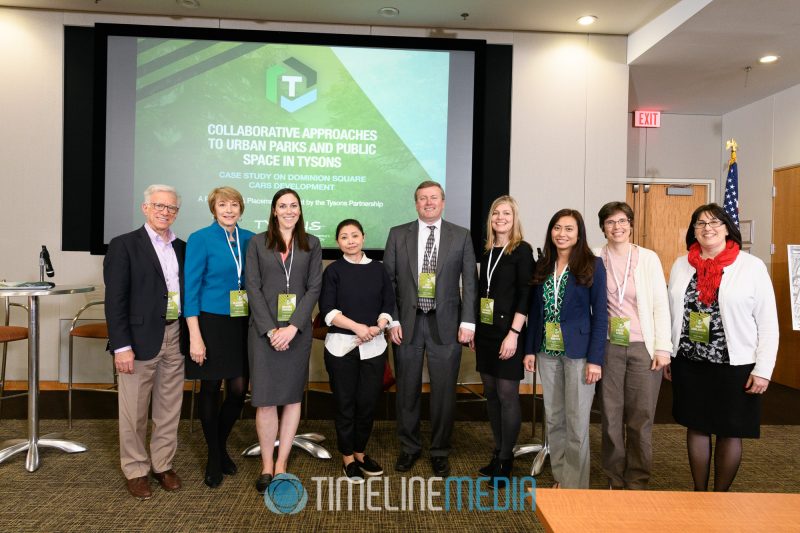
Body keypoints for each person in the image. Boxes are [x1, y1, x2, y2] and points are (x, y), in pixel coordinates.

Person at [665, 203, 779, 492]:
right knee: (697, 425)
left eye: (715, 222)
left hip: (735, 364)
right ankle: (700, 493)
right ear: (693, 231)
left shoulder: (750, 266)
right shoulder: (681, 264)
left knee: (730, 430)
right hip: (690, 362)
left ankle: (721, 496)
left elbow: (767, 322)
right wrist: (667, 353)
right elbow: (670, 312)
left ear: (728, 228)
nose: (707, 228)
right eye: (700, 223)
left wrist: (764, 369)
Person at [383, 180, 478, 477]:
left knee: (444, 392)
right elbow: (389, 283)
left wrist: (468, 321)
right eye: (422, 198)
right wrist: (393, 320)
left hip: (447, 325)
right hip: (407, 326)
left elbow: (470, 283)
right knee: (407, 391)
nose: (428, 202)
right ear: (415, 203)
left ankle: (440, 450)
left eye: (433, 198)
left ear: (443, 202)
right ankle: (409, 448)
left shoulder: (460, 236)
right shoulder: (398, 235)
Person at [104, 184, 188, 500]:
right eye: (159, 206)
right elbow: (115, 300)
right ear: (145, 208)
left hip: (174, 335)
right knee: (133, 411)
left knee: (169, 408)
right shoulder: (124, 245)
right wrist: (121, 346)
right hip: (138, 341)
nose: (165, 212)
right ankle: (136, 469)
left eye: (171, 208)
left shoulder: (183, 247)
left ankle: (162, 465)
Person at [245, 188, 322, 493]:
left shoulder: (312, 244)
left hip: (297, 332)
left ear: (300, 211)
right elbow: (252, 286)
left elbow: (314, 288)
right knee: (264, 400)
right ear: (274, 211)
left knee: (291, 398)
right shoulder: (257, 243)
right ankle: (266, 464)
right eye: (282, 206)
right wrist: (270, 330)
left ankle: (282, 463)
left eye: (294, 205)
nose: (288, 210)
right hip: (264, 333)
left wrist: (292, 327)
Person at [523, 208, 607, 489]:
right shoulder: (544, 264)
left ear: (579, 233)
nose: (562, 234)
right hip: (547, 351)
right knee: (555, 417)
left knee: (577, 420)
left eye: (569, 229)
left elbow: (601, 315)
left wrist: (595, 359)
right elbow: (535, 312)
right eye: (557, 228)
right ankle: (561, 476)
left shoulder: (593, 265)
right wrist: (529, 350)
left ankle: (576, 486)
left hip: (580, 354)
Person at [594, 201, 672, 490]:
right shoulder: (593, 257)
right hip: (608, 347)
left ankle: (637, 479)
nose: (617, 227)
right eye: (611, 222)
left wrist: (663, 348)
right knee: (611, 415)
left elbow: (660, 305)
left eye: (622, 221)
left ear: (630, 224)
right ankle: (614, 477)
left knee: (641, 417)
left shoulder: (648, 258)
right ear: (603, 227)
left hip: (644, 348)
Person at [184, 186, 255, 488]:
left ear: (241, 208)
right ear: (213, 209)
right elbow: (190, 288)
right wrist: (194, 337)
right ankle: (214, 457)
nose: (229, 209)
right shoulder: (200, 239)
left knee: (238, 390)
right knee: (211, 387)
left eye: (234, 204)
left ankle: (219, 445)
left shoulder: (251, 239)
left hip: (242, 322)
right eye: (223, 205)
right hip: (210, 322)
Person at [318, 219, 396, 483]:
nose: (350, 240)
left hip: (374, 348)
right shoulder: (333, 271)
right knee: (345, 404)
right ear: (338, 242)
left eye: (354, 235)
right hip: (342, 349)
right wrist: (359, 328)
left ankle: (361, 452)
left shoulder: (379, 269)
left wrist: (381, 324)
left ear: (363, 237)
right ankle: (347, 457)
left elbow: (388, 302)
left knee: (367, 404)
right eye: (343, 237)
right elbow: (328, 312)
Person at [471, 196, 534, 487]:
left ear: (514, 218)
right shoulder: (485, 251)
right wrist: (474, 330)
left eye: (506, 213)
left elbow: (525, 295)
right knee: (492, 395)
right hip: (485, 334)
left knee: (508, 396)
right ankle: (497, 451)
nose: (500, 217)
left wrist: (514, 334)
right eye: (496, 212)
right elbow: (480, 292)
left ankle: (506, 459)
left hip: (510, 333)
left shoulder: (522, 250)